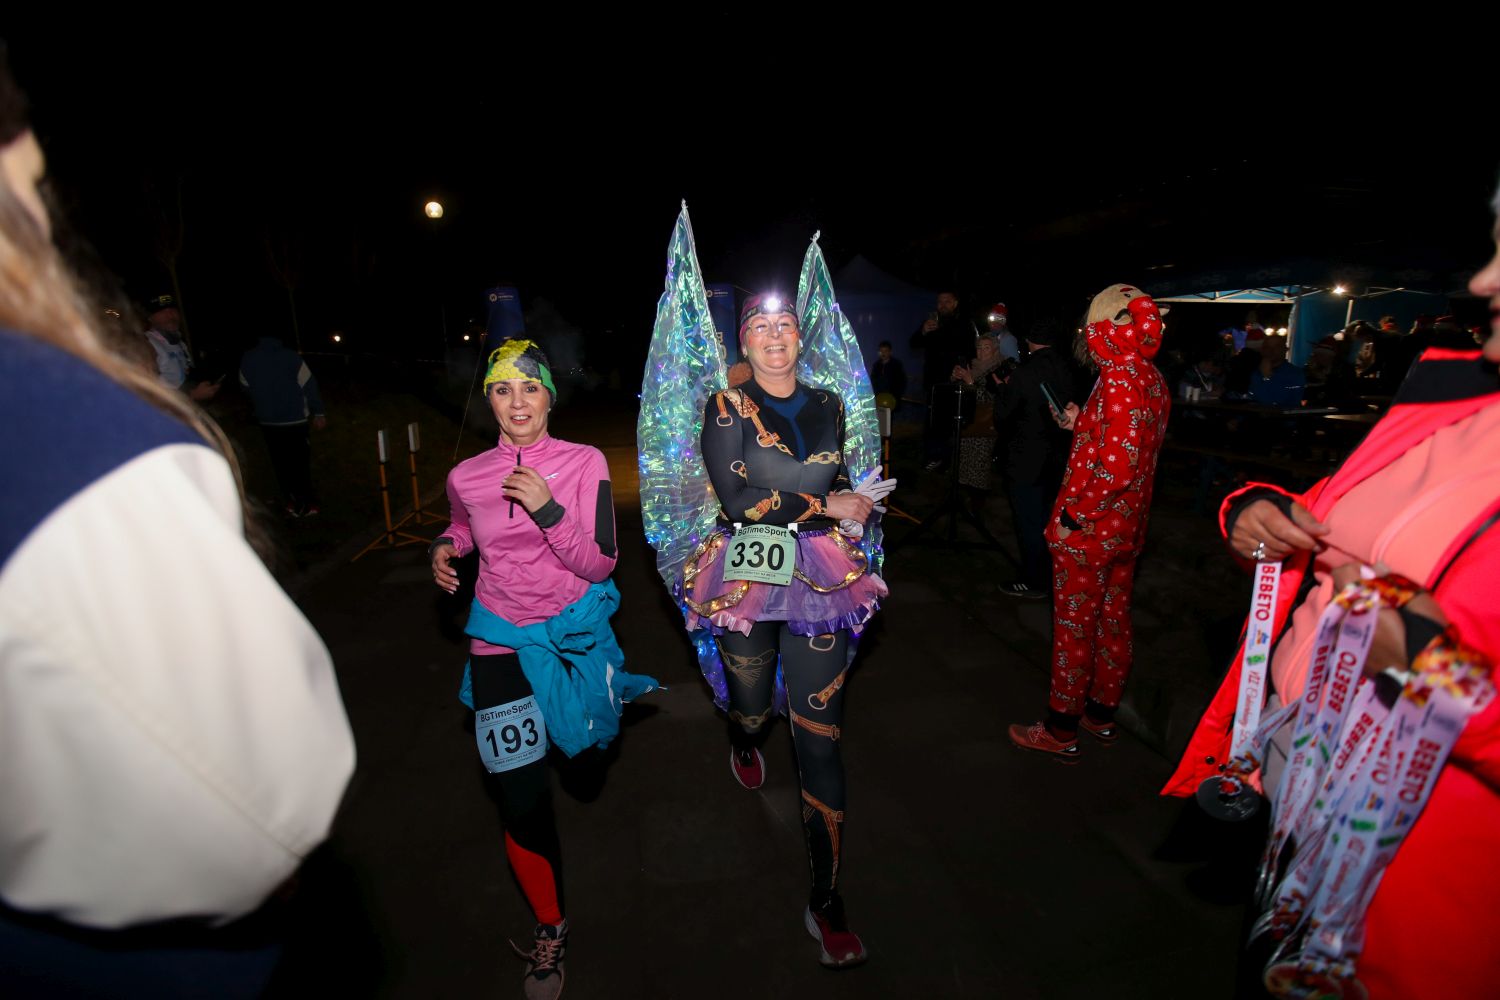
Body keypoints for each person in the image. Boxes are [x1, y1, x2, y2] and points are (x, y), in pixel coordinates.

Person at [0, 53, 353, 997]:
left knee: (291, 469)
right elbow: (261, 803)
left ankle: (304, 502)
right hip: (139, 974)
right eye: (32, 184)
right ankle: (305, 504)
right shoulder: (80, 444)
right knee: (294, 471)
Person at [1163, 178, 1500, 1000]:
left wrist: (1431, 668)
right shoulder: (1454, 399)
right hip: (1294, 767)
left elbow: (1444, 660)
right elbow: (1327, 511)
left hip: (1411, 860)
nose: (1483, 280)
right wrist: (1253, 508)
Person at [430, 338, 654, 1000]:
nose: (518, 401)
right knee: (519, 796)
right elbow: (463, 524)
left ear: (550, 397)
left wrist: (547, 508)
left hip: (572, 639)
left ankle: (591, 729)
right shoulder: (467, 474)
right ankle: (550, 926)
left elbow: (601, 563)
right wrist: (446, 546)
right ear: (489, 401)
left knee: (585, 768)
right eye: (503, 389)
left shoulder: (585, 462)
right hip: (499, 641)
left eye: (531, 387)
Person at [687, 292, 891, 968]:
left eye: (786, 325)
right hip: (748, 567)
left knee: (819, 737)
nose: (774, 336)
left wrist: (861, 500)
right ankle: (745, 736)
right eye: (760, 326)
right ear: (744, 342)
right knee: (752, 707)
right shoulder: (725, 406)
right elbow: (739, 500)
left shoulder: (830, 402)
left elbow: (844, 474)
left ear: (801, 338)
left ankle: (827, 900)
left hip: (821, 575)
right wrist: (828, 503)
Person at [1008, 284, 1170, 757]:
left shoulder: (1118, 378)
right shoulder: (1150, 377)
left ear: (1103, 330)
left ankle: (1060, 728)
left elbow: (1118, 470)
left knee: (1074, 629)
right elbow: (1129, 441)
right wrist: (1083, 421)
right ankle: (1101, 713)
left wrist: (1073, 518)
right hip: (1127, 529)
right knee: (1113, 621)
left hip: (1092, 532)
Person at [993, 319, 1085, 599]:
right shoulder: (1070, 368)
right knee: (1052, 520)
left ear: (1030, 341)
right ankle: (1056, 574)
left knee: (1030, 521)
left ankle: (1034, 581)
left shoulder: (1025, 372)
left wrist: (1002, 389)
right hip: (1059, 456)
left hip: (1027, 459)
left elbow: (1004, 416)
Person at [239, 332, 327, 516]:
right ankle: (305, 504)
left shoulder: (248, 359)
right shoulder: (291, 357)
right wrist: (318, 412)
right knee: (299, 463)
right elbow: (309, 385)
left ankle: (291, 501)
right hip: (295, 421)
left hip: (268, 423)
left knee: (281, 463)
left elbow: (245, 386)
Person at [911, 290, 976, 470]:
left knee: (949, 424)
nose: (943, 305)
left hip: (953, 382)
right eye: (940, 302)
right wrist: (923, 331)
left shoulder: (964, 324)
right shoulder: (931, 322)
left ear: (955, 303)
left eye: (947, 301)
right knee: (932, 422)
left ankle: (946, 461)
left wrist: (961, 373)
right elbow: (913, 344)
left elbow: (970, 352)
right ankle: (933, 459)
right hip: (933, 383)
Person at [142, 292, 219, 401]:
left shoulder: (179, 343)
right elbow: (146, 391)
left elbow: (182, 377)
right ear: (150, 317)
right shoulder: (146, 344)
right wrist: (192, 395)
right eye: (162, 311)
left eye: (173, 310)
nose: (170, 315)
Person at [1245, 334, 1304, 408]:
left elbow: (1275, 402)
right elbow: (1251, 398)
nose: (1271, 351)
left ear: (1285, 350)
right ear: (1262, 350)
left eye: (1277, 347)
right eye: (1267, 347)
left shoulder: (1294, 374)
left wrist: (1266, 378)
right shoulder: (1256, 372)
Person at [868, 339, 906, 410]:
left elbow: (901, 381)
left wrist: (897, 394)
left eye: (885, 351)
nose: (883, 353)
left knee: (890, 415)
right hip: (879, 396)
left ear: (890, 352)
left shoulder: (896, 365)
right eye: (881, 351)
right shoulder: (876, 365)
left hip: (892, 397)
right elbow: (873, 380)